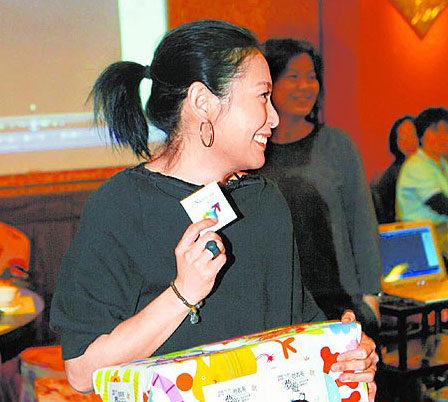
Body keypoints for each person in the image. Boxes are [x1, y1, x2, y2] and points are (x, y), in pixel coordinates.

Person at [49, 21, 378, 399]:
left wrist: (344, 356)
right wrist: (182, 294)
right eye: (262, 96)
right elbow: (82, 372)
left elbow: (295, 328)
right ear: (202, 102)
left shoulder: (265, 201)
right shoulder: (120, 206)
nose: (273, 117)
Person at [257, 38, 382, 344]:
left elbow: (362, 224)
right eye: (293, 76)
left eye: (311, 77)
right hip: (275, 307)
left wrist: (371, 298)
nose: (305, 87)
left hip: (338, 303)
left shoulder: (336, 145)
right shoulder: (252, 150)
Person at [397, 106, 448, 224]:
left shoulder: (442, 163)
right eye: (435, 130)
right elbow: (439, 204)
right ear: (421, 135)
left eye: (446, 130)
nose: (442, 136)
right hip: (423, 232)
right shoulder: (416, 166)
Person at [371, 115, 418, 223]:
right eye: (403, 138)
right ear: (396, 143)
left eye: (412, 135)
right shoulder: (393, 174)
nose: (409, 142)